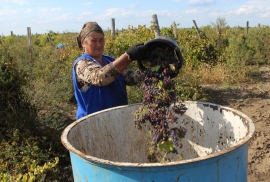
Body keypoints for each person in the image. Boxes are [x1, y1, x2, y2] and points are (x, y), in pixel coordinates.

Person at [73, 22, 148, 120]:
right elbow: (100, 77)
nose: (99, 44)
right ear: (83, 43)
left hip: (118, 119)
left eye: (101, 40)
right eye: (94, 40)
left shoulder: (109, 60)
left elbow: (131, 78)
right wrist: (128, 57)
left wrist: (151, 70)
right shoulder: (82, 64)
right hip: (92, 123)